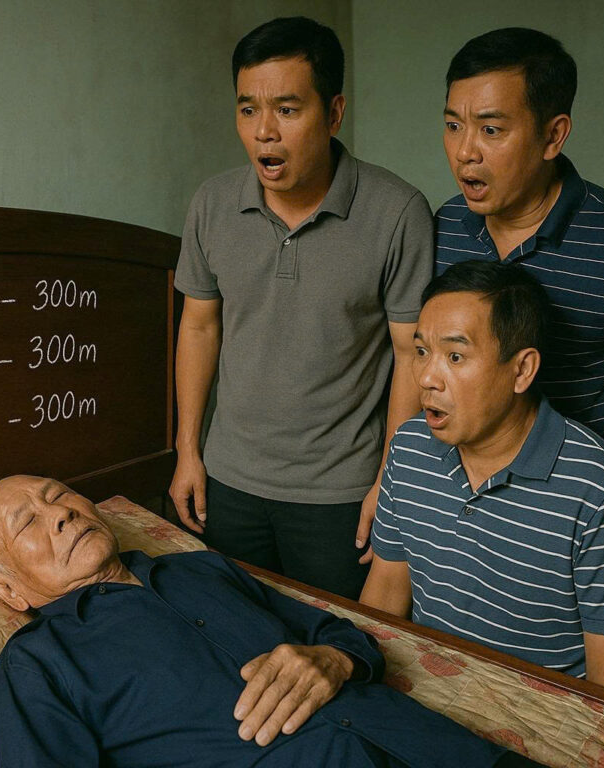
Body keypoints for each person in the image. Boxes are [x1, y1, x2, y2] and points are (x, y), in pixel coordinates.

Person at [0, 474, 540, 768]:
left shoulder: (199, 568)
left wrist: (334, 660)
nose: (59, 513)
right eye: (27, 523)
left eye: (59, 495)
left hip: (439, 750)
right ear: (6, 590)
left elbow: (341, 634)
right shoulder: (35, 663)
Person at [170, 16, 433, 598]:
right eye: (248, 110)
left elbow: (410, 353)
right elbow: (199, 326)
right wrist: (188, 450)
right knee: (235, 636)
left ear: (334, 113)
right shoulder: (212, 204)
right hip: (228, 481)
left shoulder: (397, 212)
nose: (264, 132)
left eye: (287, 110)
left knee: (341, 643)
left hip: (341, 494)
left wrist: (389, 481)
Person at [360, 261, 604, 692]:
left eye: (455, 356)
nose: (426, 378)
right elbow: (386, 595)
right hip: (421, 697)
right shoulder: (408, 446)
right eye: (422, 352)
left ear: (521, 370)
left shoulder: (601, 490)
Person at [435, 27, 604, 459]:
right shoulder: (442, 227)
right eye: (453, 125)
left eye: (490, 129)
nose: (465, 151)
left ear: (553, 136)